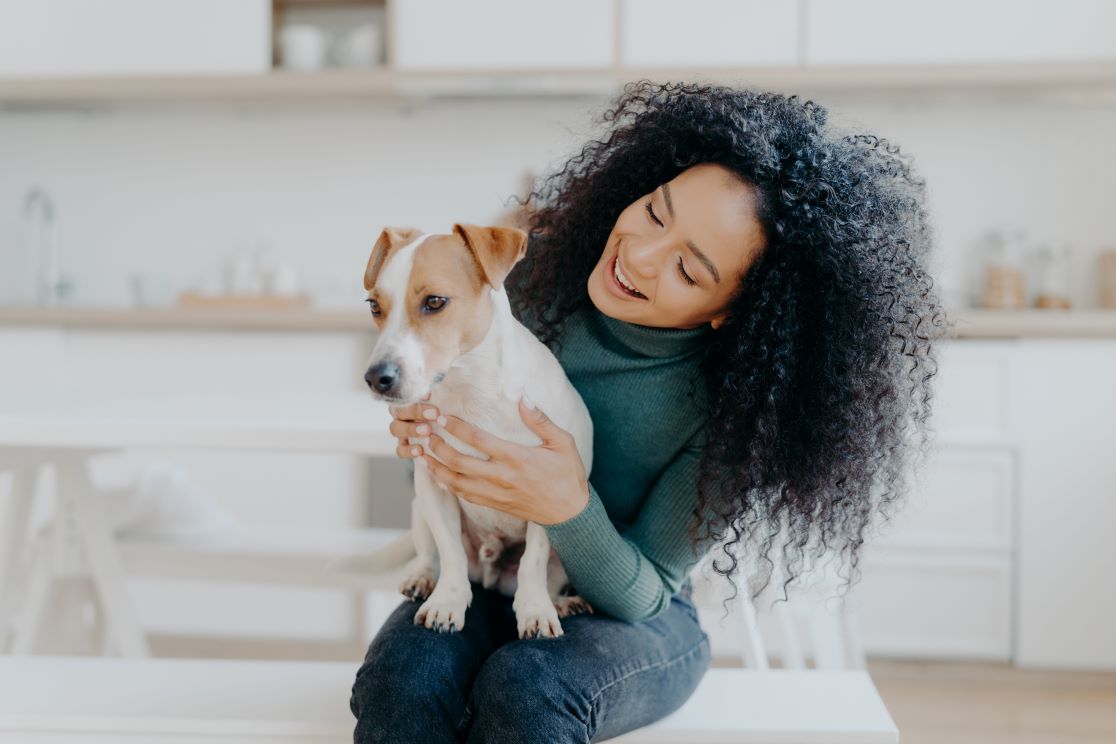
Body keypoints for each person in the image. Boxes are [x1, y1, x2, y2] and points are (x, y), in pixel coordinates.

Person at [350, 80, 948, 743]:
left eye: (688, 271)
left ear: (734, 310)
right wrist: (426, 437)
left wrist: (568, 505)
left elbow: (643, 593)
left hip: (642, 617)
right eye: (655, 213)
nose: (637, 255)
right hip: (499, 569)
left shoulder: (734, 414)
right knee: (401, 681)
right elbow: (452, 473)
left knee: (527, 688)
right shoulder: (524, 285)